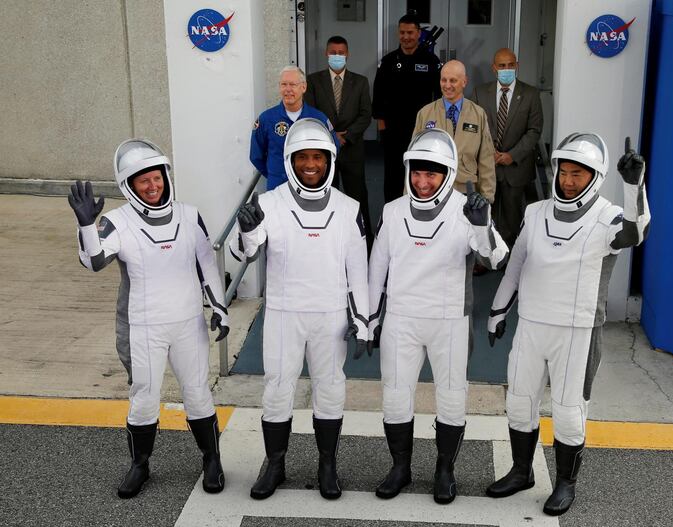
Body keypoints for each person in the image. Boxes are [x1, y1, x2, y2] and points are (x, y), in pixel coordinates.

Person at [485, 134, 650, 516]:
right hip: (532, 324)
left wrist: (633, 186)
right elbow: (517, 265)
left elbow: (636, 233)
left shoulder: (609, 215)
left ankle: (565, 484)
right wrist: (497, 312)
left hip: (578, 330)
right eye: (565, 171)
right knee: (519, 402)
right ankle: (521, 471)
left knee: (568, 410)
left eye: (579, 174)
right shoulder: (536, 212)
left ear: (595, 175)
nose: (569, 181)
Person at [69, 139, 230, 499]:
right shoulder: (116, 221)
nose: (152, 186)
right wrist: (86, 226)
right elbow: (94, 262)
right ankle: (140, 465)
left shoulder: (190, 215)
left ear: (166, 178)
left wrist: (219, 307)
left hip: (188, 323)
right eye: (143, 181)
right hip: (144, 326)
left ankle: (211, 460)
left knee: (198, 394)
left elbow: (206, 264)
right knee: (144, 398)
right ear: (129, 186)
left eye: (156, 178)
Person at [367, 128, 509, 504]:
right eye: (417, 172)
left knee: (451, 398)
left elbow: (495, 257)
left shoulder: (468, 210)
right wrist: (369, 319)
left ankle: (445, 470)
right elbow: (376, 268)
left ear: (447, 174)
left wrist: (482, 224)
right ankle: (400, 467)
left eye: (432, 174)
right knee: (396, 397)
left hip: (450, 319)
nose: (423, 181)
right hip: (401, 318)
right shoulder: (393, 211)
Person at [231, 118, 368, 501]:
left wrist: (363, 319)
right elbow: (245, 253)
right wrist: (246, 231)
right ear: (290, 160)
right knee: (276, 389)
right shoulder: (267, 203)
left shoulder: (348, 208)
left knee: (330, 389)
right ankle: (275, 464)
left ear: (329, 161)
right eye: (303, 157)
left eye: (318, 157)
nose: (311, 164)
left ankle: (328, 465)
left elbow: (359, 270)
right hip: (283, 312)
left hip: (330, 314)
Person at [305, 35, 374, 249]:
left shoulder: (360, 81)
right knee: (327, 194)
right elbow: (311, 113)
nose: (337, 56)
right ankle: (329, 240)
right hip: (325, 152)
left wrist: (347, 135)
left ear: (347, 54)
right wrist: (332, 137)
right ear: (326, 54)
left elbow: (365, 114)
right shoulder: (314, 81)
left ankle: (365, 241)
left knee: (358, 196)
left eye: (341, 53)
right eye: (333, 52)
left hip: (352, 149)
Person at [472, 48, 543, 248]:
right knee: (485, 214)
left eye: (511, 65)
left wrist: (512, 155)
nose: (506, 69)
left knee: (514, 217)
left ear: (517, 66)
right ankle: (485, 255)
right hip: (488, 165)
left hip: (516, 166)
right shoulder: (480, 92)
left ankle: (511, 258)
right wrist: (487, 154)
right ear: (494, 68)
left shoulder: (530, 94)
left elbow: (534, 131)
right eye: (502, 65)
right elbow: (474, 127)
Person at [373, 13, 442, 203]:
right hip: (393, 131)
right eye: (402, 32)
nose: (406, 36)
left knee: (420, 175)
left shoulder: (431, 62)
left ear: (419, 33)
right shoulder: (388, 62)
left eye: (410, 32)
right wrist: (382, 128)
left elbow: (439, 97)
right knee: (393, 177)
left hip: (422, 130)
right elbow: (378, 95)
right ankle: (391, 217)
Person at [414, 60, 496, 204]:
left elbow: (486, 160)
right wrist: (410, 195)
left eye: (453, 80)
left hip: (466, 191)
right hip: (433, 190)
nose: (447, 85)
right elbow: (414, 159)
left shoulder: (478, 114)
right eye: (443, 80)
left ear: (464, 82)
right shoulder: (425, 114)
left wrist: (487, 198)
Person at [250, 66, 338, 191]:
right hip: (278, 186)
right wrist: (275, 173)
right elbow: (256, 155)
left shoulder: (319, 119)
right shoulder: (266, 119)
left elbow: (333, 150)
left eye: (292, 84)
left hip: (310, 187)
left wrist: (316, 174)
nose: (288, 89)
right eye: (284, 84)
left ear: (303, 87)